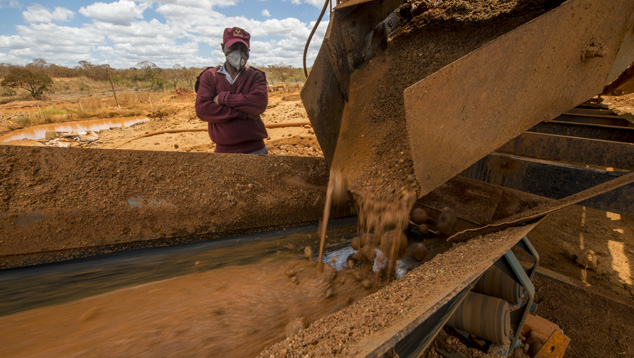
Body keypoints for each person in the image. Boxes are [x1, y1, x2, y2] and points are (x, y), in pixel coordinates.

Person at [195, 27, 269, 154]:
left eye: (243, 48)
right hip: (224, 153)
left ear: (248, 51)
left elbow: (259, 104)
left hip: (256, 151)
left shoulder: (256, 76)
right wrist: (244, 114)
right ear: (223, 48)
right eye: (233, 47)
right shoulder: (209, 76)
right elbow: (203, 110)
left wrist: (223, 98)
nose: (238, 53)